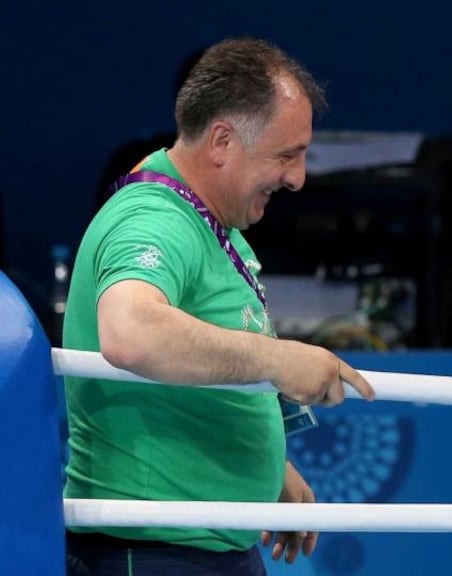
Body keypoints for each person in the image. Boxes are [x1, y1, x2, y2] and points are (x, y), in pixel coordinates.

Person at [63, 37, 375, 576]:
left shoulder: (213, 224)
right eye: (286, 155)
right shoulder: (153, 218)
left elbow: (198, 362)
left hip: (213, 543)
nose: (298, 178)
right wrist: (278, 361)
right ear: (223, 141)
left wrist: (267, 465)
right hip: (154, 549)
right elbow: (129, 332)